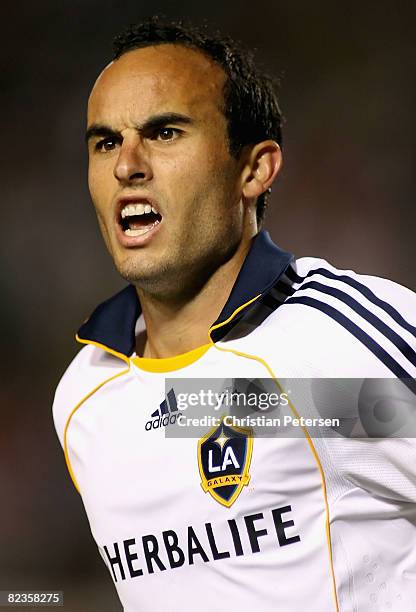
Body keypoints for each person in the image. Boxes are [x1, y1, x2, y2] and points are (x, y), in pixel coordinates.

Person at [53, 17, 416, 612]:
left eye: (165, 133)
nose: (127, 166)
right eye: (106, 142)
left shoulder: (325, 356)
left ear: (254, 169)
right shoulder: (85, 399)